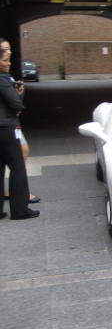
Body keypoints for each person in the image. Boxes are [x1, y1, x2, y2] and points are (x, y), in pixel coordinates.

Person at [0, 41, 39, 219]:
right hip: (7, 127)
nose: (8, 64)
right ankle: (20, 210)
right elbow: (16, 104)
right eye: (6, 60)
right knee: (17, 168)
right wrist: (20, 93)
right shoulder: (2, 79)